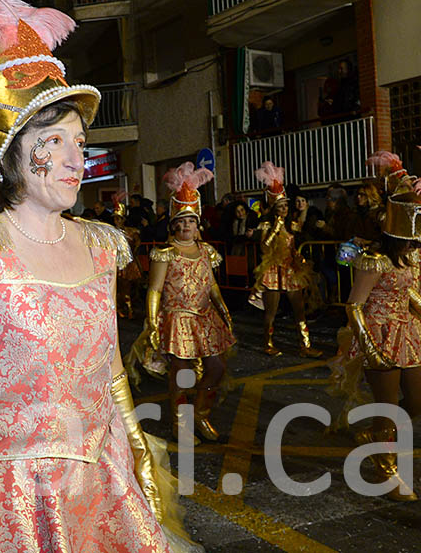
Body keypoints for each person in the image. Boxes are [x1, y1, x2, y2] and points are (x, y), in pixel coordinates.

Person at [0, 0, 199, 552]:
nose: (76, 161)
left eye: (79, 143)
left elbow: (110, 367)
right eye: (53, 143)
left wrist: (137, 447)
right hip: (16, 497)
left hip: (103, 476)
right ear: (11, 156)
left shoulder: (100, 246)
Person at [334, 146, 421, 501]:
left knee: (420, 401)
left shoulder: (413, 253)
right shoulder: (374, 260)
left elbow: (412, 295)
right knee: (387, 408)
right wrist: (371, 349)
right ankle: (386, 471)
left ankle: (375, 432)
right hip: (378, 334)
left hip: (406, 331)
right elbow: (353, 307)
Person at [145, 162, 235, 443]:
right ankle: (180, 424)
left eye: (191, 221)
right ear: (173, 225)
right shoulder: (165, 254)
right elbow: (155, 290)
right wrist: (151, 322)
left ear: (198, 225)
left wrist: (223, 310)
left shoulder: (206, 251)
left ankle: (202, 413)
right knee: (182, 374)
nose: (186, 226)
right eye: (181, 221)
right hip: (178, 317)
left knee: (216, 368)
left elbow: (211, 285)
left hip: (205, 317)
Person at [249, 162, 321, 358]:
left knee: (299, 309)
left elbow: (295, 243)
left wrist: (299, 257)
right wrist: (275, 228)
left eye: (286, 206)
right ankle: (268, 342)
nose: (284, 209)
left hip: (290, 269)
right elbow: (264, 247)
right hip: (273, 270)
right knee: (271, 312)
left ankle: (305, 345)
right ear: (274, 208)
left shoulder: (293, 224)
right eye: (280, 207)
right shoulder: (266, 225)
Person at [112, 191, 143, 318]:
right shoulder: (110, 232)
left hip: (128, 264)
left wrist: (133, 252)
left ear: (123, 219)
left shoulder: (130, 232)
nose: (116, 221)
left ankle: (129, 309)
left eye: (118, 218)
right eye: (115, 218)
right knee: (116, 288)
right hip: (115, 263)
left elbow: (137, 243)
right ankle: (119, 309)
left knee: (128, 288)